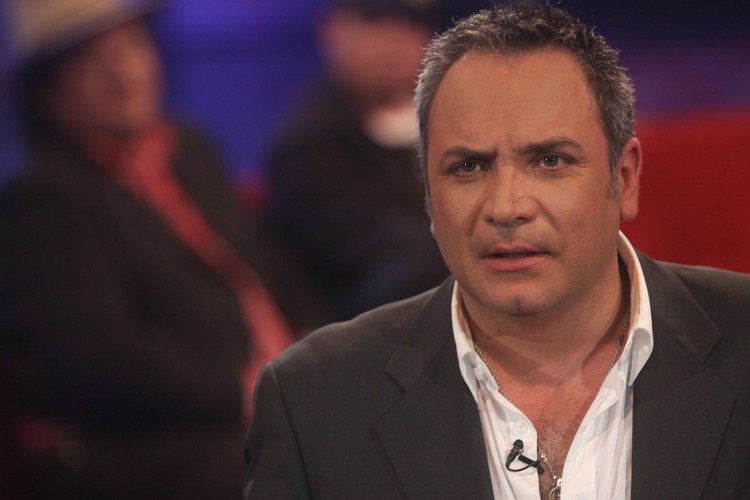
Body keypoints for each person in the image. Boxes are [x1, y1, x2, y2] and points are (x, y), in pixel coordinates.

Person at [244, 4, 750, 499]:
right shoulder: (312, 401)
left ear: (626, 177)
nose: (506, 207)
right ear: (428, 194)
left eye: (550, 161)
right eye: (468, 167)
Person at [0, 0, 316, 497]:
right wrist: (244, 389)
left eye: (131, 45)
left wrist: (314, 341)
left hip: (264, 395)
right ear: (47, 91)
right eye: (90, 58)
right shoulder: (41, 198)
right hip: (151, 444)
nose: (122, 71)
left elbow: (262, 262)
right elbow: (100, 363)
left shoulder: (188, 146)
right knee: (309, 466)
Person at [263, 0, 449, 323]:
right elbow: (383, 251)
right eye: (373, 19)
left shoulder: (449, 123)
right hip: (361, 324)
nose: (394, 39)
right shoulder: (309, 142)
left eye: (410, 22)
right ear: (331, 31)